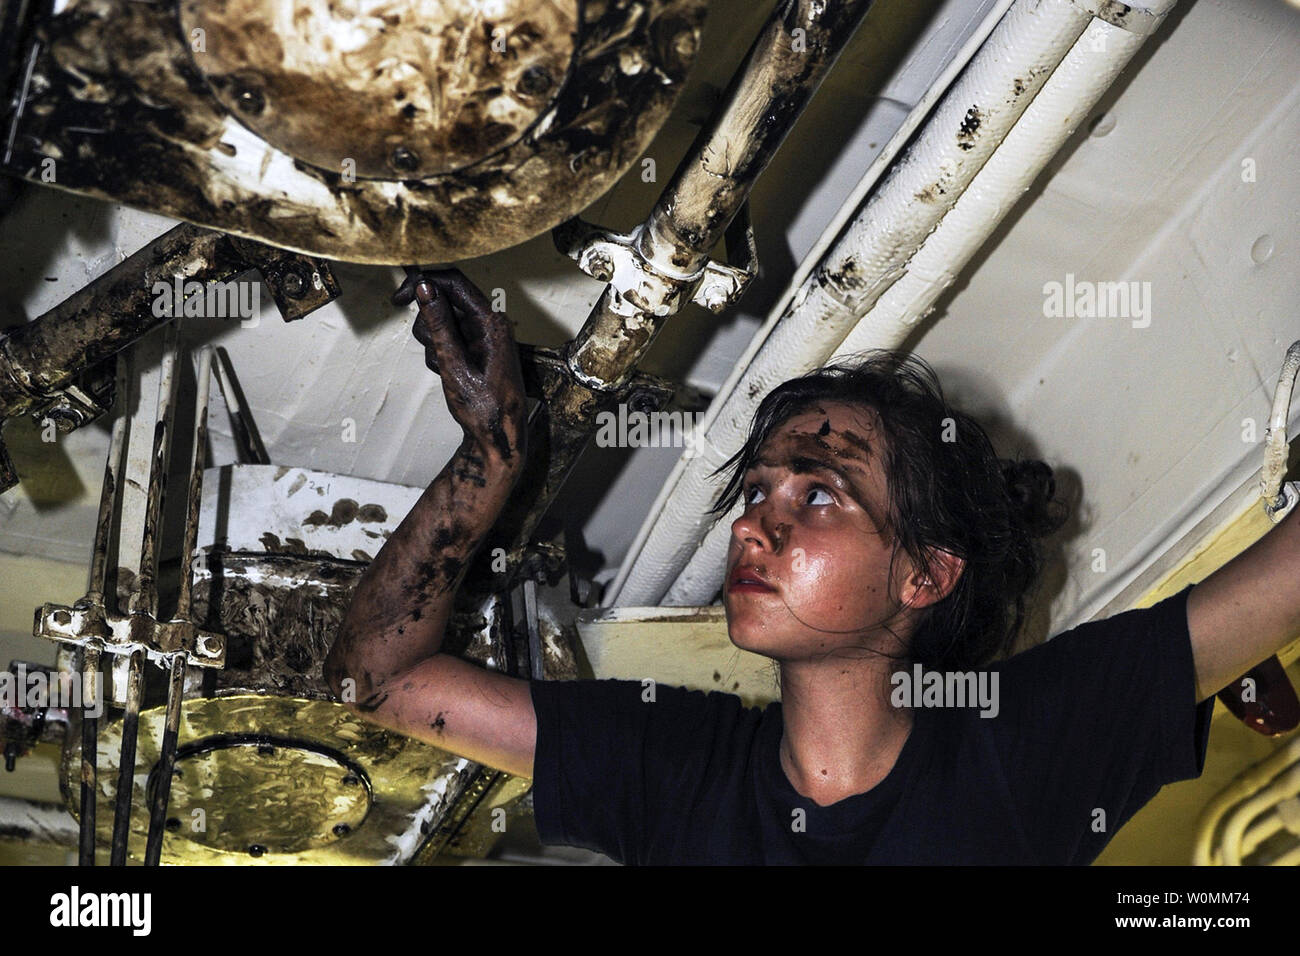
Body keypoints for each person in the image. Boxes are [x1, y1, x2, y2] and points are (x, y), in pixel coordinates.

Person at [324, 268, 1300, 865]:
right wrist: (492, 448)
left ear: (924, 574)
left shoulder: (1020, 747)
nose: (755, 527)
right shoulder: (674, 765)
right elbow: (383, 676)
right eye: (755, 492)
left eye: (818, 494)